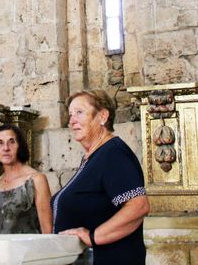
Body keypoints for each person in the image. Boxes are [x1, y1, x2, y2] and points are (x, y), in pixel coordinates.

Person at [53, 90, 150, 264]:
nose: (72, 120)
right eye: (70, 114)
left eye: (79, 112)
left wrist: (93, 237)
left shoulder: (112, 153)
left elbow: (138, 206)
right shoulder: (94, 156)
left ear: (103, 116)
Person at [0, 124, 52, 234]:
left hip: (27, 250)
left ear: (19, 146)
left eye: (11, 142)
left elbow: (47, 231)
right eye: (0, 143)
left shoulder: (36, 180)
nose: (6, 148)